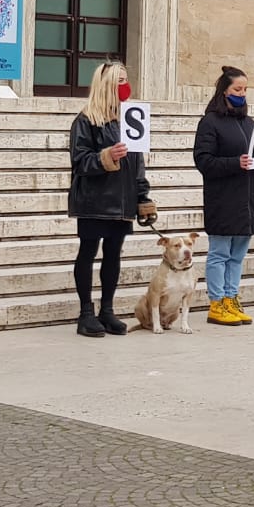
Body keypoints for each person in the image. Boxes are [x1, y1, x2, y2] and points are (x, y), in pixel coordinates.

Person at [69, 61, 155, 338]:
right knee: (88, 251)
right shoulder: (86, 120)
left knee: (114, 254)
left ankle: (107, 309)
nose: (125, 85)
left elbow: (138, 163)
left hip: (123, 200)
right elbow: (79, 161)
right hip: (94, 200)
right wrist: (106, 157)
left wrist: (143, 196)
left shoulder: (129, 120)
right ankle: (85, 312)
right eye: (120, 81)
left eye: (126, 79)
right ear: (105, 84)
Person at [193, 66, 254, 326]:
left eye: (245, 89)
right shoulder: (210, 121)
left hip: (248, 198)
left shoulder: (249, 123)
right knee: (219, 252)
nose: (242, 94)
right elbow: (203, 160)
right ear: (224, 91)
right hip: (223, 197)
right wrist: (234, 163)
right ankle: (216, 302)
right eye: (238, 89)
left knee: (237, 254)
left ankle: (231, 297)